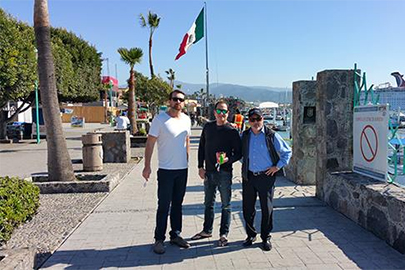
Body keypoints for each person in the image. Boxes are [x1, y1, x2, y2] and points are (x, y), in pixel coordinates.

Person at [142, 90, 191, 254]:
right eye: (175, 99)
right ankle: (159, 239)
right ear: (169, 101)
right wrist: (147, 166)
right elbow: (150, 144)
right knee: (163, 205)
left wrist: (187, 160)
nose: (178, 102)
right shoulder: (160, 119)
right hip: (166, 171)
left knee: (178, 204)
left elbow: (187, 140)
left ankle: (175, 235)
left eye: (181, 100)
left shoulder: (186, 119)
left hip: (182, 170)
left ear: (184, 103)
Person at [192, 101, 242, 246]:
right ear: (214, 112)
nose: (222, 114)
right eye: (219, 111)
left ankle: (223, 234)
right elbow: (201, 147)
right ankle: (207, 230)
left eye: (224, 112)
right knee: (208, 203)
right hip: (209, 172)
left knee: (226, 205)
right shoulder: (208, 127)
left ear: (228, 114)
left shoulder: (232, 131)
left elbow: (239, 153)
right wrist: (200, 167)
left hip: (225, 173)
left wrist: (228, 160)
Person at [241, 107, 291, 251]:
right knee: (247, 208)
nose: (256, 122)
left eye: (258, 119)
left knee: (266, 209)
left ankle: (266, 237)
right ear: (248, 121)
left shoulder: (271, 135)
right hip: (249, 176)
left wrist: (277, 167)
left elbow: (287, 152)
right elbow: (237, 151)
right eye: (252, 119)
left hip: (266, 176)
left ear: (263, 119)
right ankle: (251, 235)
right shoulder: (244, 135)